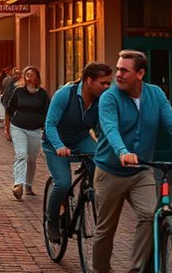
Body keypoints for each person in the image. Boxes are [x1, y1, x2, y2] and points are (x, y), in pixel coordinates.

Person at [92, 50, 172, 273]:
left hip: (142, 170)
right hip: (110, 172)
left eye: (124, 70)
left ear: (140, 73)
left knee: (150, 216)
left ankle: (137, 269)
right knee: (105, 230)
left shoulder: (155, 94)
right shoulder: (110, 97)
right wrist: (122, 151)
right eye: (118, 69)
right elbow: (110, 128)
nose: (118, 74)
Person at [42, 61, 112, 242]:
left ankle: (87, 190)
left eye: (109, 83)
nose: (107, 86)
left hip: (81, 139)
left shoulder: (102, 99)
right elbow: (50, 124)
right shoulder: (65, 94)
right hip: (55, 143)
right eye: (103, 83)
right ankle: (52, 221)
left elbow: (103, 128)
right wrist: (59, 146)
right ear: (89, 80)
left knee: (100, 161)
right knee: (63, 183)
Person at [4, 65, 50, 200]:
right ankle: (18, 184)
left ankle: (28, 185)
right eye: (27, 74)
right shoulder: (18, 91)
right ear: (24, 76)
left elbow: (47, 112)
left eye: (32, 74)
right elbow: (9, 110)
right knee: (21, 155)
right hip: (18, 127)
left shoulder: (42, 94)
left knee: (31, 159)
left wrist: (46, 128)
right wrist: (7, 128)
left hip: (35, 129)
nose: (30, 76)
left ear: (37, 77)